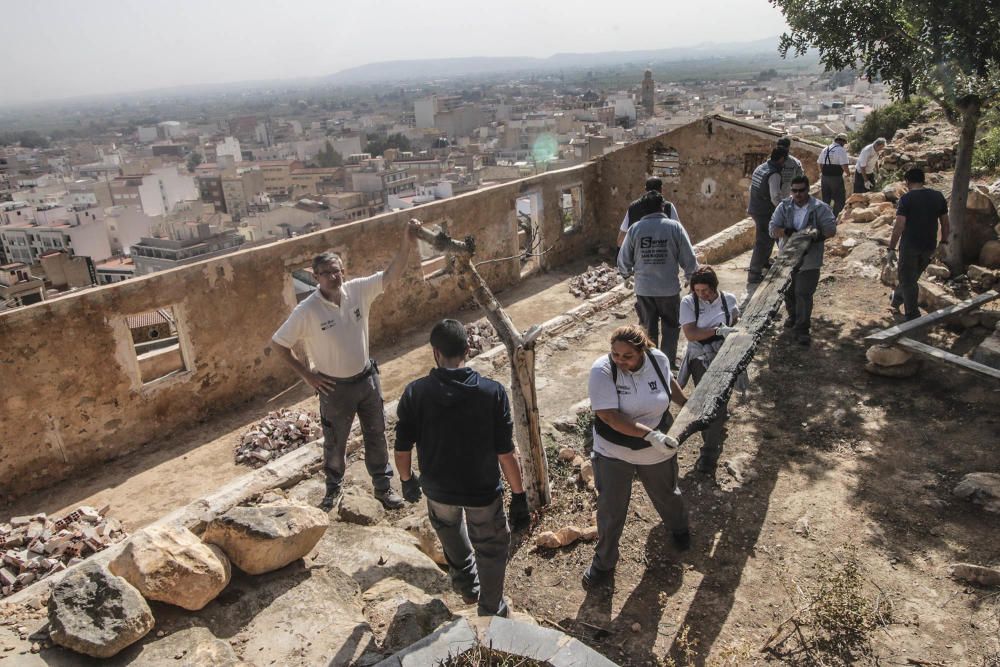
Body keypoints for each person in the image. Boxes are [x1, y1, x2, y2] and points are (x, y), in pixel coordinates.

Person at [271, 219, 422, 512]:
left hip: (367, 380)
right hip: (334, 389)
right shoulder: (307, 310)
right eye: (325, 273)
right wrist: (307, 376)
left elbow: (392, 274)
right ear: (315, 277)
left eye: (336, 270)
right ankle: (333, 488)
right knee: (335, 441)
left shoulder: (357, 291)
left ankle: (383, 487)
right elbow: (279, 343)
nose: (332, 276)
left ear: (344, 271)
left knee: (376, 434)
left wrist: (408, 241)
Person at [394, 319, 530, 617]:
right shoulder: (491, 393)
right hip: (481, 491)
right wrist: (519, 495)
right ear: (467, 350)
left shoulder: (415, 393)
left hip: (438, 490)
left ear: (435, 353)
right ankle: (491, 608)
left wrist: (407, 480)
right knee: (491, 547)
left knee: (449, 530)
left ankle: (468, 586)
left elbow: (402, 447)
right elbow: (505, 452)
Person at [583, 324, 689, 587]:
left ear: (642, 351)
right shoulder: (603, 370)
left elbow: (669, 383)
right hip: (613, 452)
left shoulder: (658, 359)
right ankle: (604, 563)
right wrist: (650, 435)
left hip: (655, 450)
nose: (620, 360)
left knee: (666, 494)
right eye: (615, 354)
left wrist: (687, 406)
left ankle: (679, 529)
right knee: (610, 508)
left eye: (627, 356)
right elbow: (608, 416)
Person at [618, 191, 698, 370]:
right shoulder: (674, 227)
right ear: (663, 207)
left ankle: (650, 364)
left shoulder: (635, 229)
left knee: (647, 328)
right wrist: (691, 277)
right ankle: (666, 364)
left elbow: (623, 259)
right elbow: (689, 257)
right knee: (671, 327)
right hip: (668, 289)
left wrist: (626, 275)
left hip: (644, 290)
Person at [678, 266, 741, 475]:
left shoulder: (728, 300)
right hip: (701, 356)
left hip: (724, 352)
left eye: (705, 290)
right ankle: (709, 452)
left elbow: (736, 321)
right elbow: (692, 333)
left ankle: (713, 437)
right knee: (709, 401)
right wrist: (716, 330)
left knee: (721, 400)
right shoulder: (689, 303)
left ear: (714, 286)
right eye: (698, 291)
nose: (702, 295)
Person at [769, 175, 838, 345]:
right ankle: (793, 317)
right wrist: (786, 232)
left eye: (801, 190)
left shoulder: (820, 208)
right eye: (794, 191)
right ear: (791, 191)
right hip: (787, 258)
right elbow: (772, 229)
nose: (798, 194)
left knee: (804, 294)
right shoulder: (784, 207)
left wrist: (814, 237)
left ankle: (802, 329)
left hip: (810, 259)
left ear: (808, 190)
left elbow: (830, 230)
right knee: (788, 291)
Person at [888, 168, 950, 321]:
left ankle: (912, 316)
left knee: (908, 281)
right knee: (911, 278)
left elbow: (899, 226)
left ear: (907, 182)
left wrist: (891, 248)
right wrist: (943, 242)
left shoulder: (906, 199)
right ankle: (896, 300)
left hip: (910, 246)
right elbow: (945, 222)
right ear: (923, 180)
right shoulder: (938, 196)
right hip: (929, 245)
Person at [746, 146, 788, 291]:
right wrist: (785, 209)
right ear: (782, 159)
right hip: (764, 211)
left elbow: (751, 188)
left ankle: (764, 263)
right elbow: (775, 197)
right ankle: (754, 274)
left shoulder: (762, 167)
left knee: (767, 238)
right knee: (763, 241)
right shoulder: (774, 174)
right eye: (785, 160)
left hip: (756, 207)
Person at [616, 176, 681, 250]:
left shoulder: (633, 207)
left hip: (638, 256)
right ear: (662, 189)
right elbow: (679, 235)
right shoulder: (668, 207)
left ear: (645, 189)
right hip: (663, 255)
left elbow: (620, 240)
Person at [817, 134, 851, 217]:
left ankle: (824, 217)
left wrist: (822, 172)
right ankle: (835, 218)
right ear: (842, 141)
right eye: (844, 143)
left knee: (826, 199)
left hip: (824, 177)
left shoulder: (826, 148)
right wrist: (848, 174)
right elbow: (844, 165)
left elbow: (819, 163)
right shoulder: (841, 150)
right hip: (836, 177)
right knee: (839, 199)